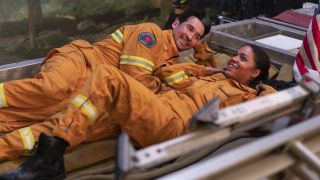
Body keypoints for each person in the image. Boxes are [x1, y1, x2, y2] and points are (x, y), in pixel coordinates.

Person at [0, 44, 277, 179]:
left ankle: (49, 160)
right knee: (74, 121)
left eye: (242, 59)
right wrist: (205, 66)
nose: (233, 59)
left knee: (107, 77)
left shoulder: (248, 96)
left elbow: (275, 106)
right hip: (151, 111)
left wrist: (263, 87)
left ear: (254, 73)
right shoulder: (212, 77)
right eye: (235, 54)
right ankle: (20, 152)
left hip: (174, 126)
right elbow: (167, 71)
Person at [0, 9, 211, 133]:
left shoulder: (171, 61)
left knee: (44, 113)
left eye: (196, 37)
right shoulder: (151, 33)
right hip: (80, 62)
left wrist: (201, 49)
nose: (190, 38)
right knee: (51, 88)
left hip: (90, 85)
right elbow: (135, 77)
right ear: (175, 22)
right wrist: (157, 85)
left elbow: (193, 77)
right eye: (189, 28)